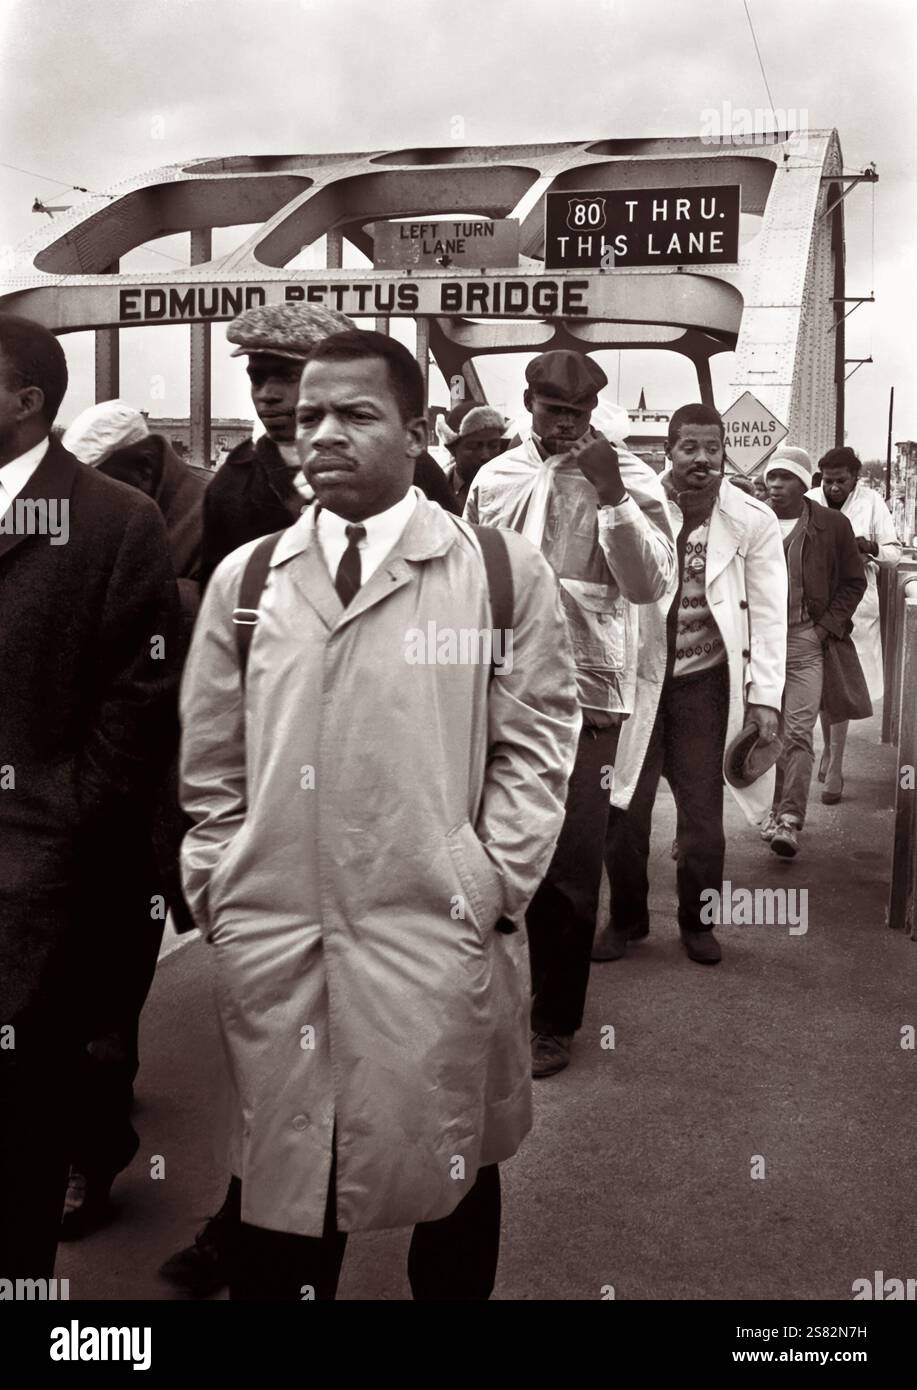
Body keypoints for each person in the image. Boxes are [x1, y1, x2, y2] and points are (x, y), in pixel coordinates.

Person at [179, 330, 580, 1300]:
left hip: (438, 928)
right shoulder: (248, 581)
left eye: (355, 414)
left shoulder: (496, 572)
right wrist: (221, 880)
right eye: (310, 414)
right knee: (288, 1192)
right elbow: (211, 758)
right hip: (282, 940)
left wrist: (489, 880)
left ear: (415, 429)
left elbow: (535, 742)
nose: (321, 433)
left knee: (452, 1171)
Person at [0, 316, 180, 1282]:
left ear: (26, 401)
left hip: (38, 878)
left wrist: (65, 819)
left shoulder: (113, 519)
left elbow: (138, 697)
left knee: (21, 1116)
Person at [465, 350, 676, 1077]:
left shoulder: (629, 475)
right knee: (484, 852)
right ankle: (488, 1005)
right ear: (528, 404)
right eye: (554, 411)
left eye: (579, 414)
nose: (566, 425)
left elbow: (647, 585)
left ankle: (554, 1021)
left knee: (569, 864)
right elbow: (467, 573)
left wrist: (610, 493)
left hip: (589, 699)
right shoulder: (494, 478)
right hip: (497, 689)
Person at [54, 400, 204, 1238]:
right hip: (78, 798)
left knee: (100, 1000)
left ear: (142, 469)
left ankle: (91, 1157)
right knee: (83, 994)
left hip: (145, 800)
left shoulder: (210, 520)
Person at [596, 403, 788, 962]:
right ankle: (627, 920)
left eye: (712, 448)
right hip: (638, 684)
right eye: (689, 448)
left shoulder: (751, 519)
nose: (702, 459)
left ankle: (698, 924)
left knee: (703, 822)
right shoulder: (637, 503)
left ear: (724, 451)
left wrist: (764, 698)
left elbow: (769, 614)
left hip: (704, 689)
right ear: (669, 451)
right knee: (623, 813)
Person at [201, 306, 462, 588]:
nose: (267, 394)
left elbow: (456, 568)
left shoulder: (407, 466)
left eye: (289, 377)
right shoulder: (233, 482)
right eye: (257, 378)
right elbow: (219, 591)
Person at [760, 448, 867, 856]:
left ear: (805, 483)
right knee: (763, 732)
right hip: (759, 644)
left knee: (798, 732)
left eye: (786, 477)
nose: (776, 484)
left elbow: (854, 582)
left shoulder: (832, 525)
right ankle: (770, 810)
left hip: (806, 641)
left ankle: (789, 818)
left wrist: (824, 629)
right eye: (772, 476)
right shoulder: (754, 520)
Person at [808, 446, 901, 802]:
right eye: (828, 481)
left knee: (842, 687)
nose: (833, 488)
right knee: (822, 684)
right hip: (817, 606)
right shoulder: (809, 501)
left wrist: (871, 546)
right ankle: (829, 752)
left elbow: (893, 554)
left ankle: (835, 765)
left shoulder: (872, 503)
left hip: (855, 607)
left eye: (841, 481)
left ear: (855, 478)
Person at [439, 402, 508, 512]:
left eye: (493, 445)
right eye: (474, 447)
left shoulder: (513, 489)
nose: (486, 456)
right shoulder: (434, 491)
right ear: (452, 449)